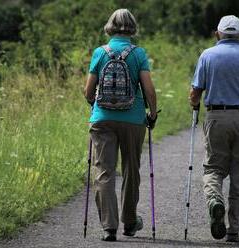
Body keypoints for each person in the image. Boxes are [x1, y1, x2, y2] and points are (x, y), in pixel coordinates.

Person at [189, 15, 239, 242]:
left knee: (213, 168)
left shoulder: (207, 55)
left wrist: (194, 106)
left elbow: (195, 93)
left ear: (218, 34)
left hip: (217, 116)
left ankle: (215, 200)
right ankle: (233, 229)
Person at [84, 9, 157, 241]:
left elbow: (88, 91)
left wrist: (95, 105)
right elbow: (148, 88)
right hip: (133, 119)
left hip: (102, 119)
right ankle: (130, 222)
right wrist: (152, 113)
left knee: (104, 171)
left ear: (110, 27)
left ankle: (109, 227)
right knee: (131, 170)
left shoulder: (99, 52)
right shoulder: (138, 53)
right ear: (132, 27)